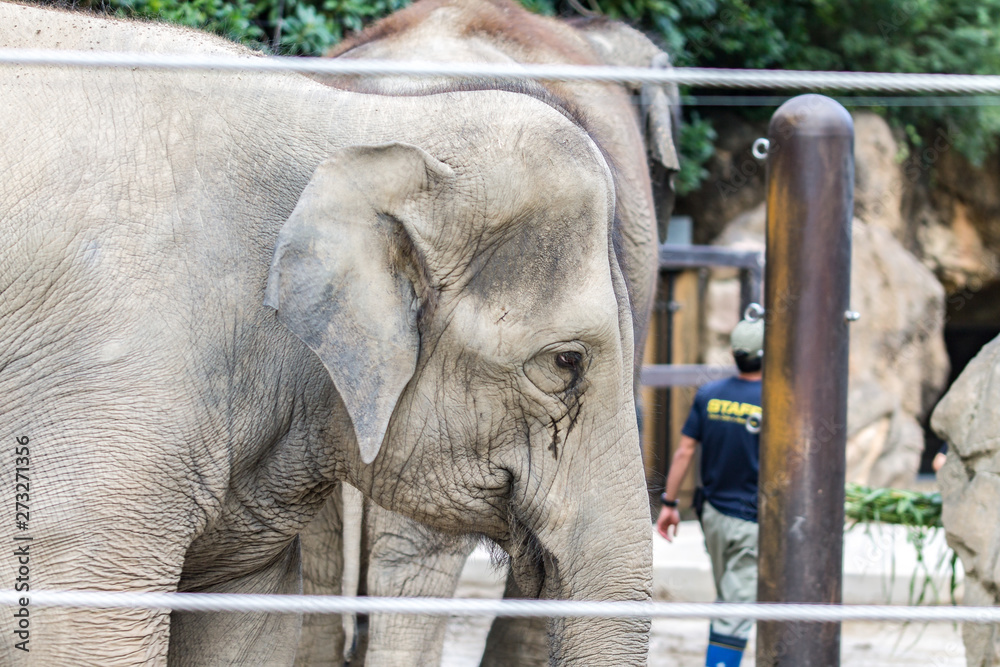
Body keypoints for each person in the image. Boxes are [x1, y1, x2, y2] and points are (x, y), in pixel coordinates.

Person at [656, 317, 764, 667]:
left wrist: (669, 504)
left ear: (734, 353)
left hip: (713, 515)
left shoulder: (710, 395)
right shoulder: (778, 401)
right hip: (753, 521)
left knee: (729, 596)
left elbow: (684, 451)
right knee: (736, 607)